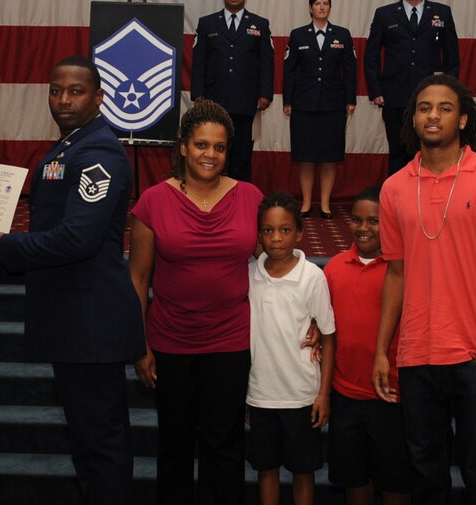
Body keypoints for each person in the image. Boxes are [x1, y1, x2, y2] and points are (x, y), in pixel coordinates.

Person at [0, 56, 145, 504]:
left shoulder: (99, 152)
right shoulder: (70, 146)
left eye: (75, 91)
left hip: (91, 323)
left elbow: (77, 240)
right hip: (73, 320)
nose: (63, 100)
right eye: (56, 90)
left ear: (99, 97)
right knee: (89, 443)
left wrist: (6, 248)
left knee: (101, 445)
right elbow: (53, 232)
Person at [372, 74, 476, 505]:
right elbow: (395, 275)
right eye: (423, 108)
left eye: (443, 108)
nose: (433, 115)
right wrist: (384, 349)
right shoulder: (394, 187)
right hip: (416, 353)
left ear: (462, 119)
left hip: (474, 353)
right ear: (412, 119)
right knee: (424, 471)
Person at [129, 98, 263, 505]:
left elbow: (276, 268)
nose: (210, 155)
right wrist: (140, 344)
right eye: (201, 145)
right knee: (175, 446)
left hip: (231, 342)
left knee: (224, 447)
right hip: (170, 343)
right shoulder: (153, 201)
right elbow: (137, 277)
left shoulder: (252, 197)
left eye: (219, 147)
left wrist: (307, 315)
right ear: (183, 146)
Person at [247, 191, 336, 505]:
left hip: (301, 396)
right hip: (260, 395)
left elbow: (328, 335)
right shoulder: (249, 275)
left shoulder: (312, 277)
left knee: (303, 471)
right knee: (266, 469)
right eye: (267, 230)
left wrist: (323, 394)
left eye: (285, 230)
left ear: (299, 233)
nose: (276, 238)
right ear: (258, 234)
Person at [323, 187, 411, 505]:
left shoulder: (403, 271)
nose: (363, 228)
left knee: (396, 480)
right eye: (357, 220)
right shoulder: (333, 268)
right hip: (345, 395)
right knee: (353, 478)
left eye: (374, 221)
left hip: (393, 396)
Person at [364, 0, 459, 176]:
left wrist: (448, 92)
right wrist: (376, 91)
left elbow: (452, 57)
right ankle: (397, 200)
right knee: (398, 151)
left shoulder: (442, 12)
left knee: (430, 151)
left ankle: (428, 198)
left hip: (432, 98)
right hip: (394, 94)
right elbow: (372, 56)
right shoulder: (384, 14)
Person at [282, 0, 356, 219]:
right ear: (311, 8)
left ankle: (324, 204)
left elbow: (350, 69)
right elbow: (289, 70)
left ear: (330, 8)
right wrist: (287, 101)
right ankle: (306, 203)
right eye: (317, 3)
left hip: (333, 103)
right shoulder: (298, 35)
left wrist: (350, 99)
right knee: (305, 155)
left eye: (326, 3)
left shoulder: (342, 34)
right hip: (304, 103)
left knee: (329, 156)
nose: (322, 7)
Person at [191, 0, 274, 182]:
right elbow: (199, 62)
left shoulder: (260, 24)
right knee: (213, 152)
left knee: (241, 155)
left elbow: (266, 61)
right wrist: (198, 96)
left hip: (245, 101)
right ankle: (212, 195)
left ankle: (240, 199)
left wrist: (265, 94)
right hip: (213, 102)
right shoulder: (207, 23)